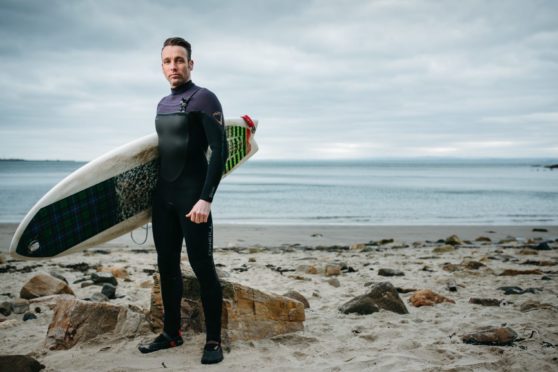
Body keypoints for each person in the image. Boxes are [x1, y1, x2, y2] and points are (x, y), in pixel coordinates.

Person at [137, 37, 227, 365]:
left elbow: (221, 150)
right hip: (163, 199)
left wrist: (206, 199)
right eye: (167, 61)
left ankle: (214, 340)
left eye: (179, 60)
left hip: (193, 198)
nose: (173, 66)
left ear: (191, 63)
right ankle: (171, 333)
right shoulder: (162, 104)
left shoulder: (204, 98)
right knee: (167, 266)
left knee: (203, 268)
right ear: (162, 66)